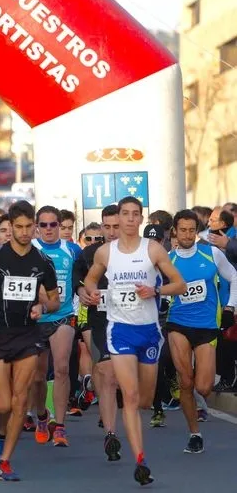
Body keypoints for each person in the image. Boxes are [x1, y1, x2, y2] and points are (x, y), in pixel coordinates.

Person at [82, 196, 186, 486]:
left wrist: (156, 291)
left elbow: (180, 284)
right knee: (128, 396)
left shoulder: (152, 249)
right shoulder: (106, 252)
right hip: (120, 330)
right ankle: (140, 460)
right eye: (124, 214)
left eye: (134, 214)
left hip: (149, 331)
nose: (128, 219)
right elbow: (90, 280)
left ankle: (139, 431)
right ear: (120, 216)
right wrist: (90, 292)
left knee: (142, 400)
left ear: (141, 219)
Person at [0, 200, 59, 481]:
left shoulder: (43, 262)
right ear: (10, 227)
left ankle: (5, 460)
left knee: (19, 402)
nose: (25, 232)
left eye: (29, 226)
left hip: (27, 335)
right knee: (3, 404)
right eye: (19, 227)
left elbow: (55, 299)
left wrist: (42, 308)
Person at [166, 209, 237, 454]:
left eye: (191, 230)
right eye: (182, 230)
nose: (187, 235)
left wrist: (230, 306)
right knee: (185, 381)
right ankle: (194, 434)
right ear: (175, 231)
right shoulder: (168, 259)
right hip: (177, 324)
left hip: (206, 326)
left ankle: (197, 391)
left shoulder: (212, 253)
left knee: (203, 386)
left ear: (197, 231)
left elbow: (234, 277)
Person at [28, 206, 82, 447]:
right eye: (44, 225)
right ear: (37, 227)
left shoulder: (72, 250)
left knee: (61, 368)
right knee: (37, 376)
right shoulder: (31, 250)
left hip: (63, 315)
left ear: (60, 225)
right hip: (36, 319)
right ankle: (41, 415)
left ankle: (59, 426)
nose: (48, 229)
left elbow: (80, 280)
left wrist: (86, 293)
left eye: (53, 224)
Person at [75, 206, 123, 461]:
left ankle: (92, 388)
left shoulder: (138, 252)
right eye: (108, 227)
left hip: (130, 323)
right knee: (108, 376)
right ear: (102, 226)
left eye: (117, 226)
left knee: (133, 390)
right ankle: (111, 434)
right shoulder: (91, 253)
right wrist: (80, 291)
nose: (112, 232)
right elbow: (77, 277)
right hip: (100, 322)